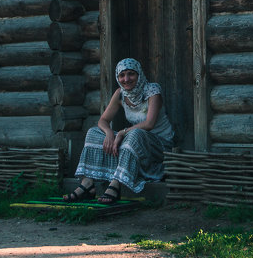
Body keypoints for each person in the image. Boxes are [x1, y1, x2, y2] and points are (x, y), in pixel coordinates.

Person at [64, 57, 174, 205]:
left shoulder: (152, 90)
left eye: (131, 74)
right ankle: (87, 183)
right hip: (135, 140)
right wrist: (109, 133)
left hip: (159, 145)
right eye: (122, 75)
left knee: (134, 134)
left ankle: (116, 183)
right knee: (93, 133)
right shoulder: (120, 93)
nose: (126, 79)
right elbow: (103, 120)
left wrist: (122, 132)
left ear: (139, 74)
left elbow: (149, 124)